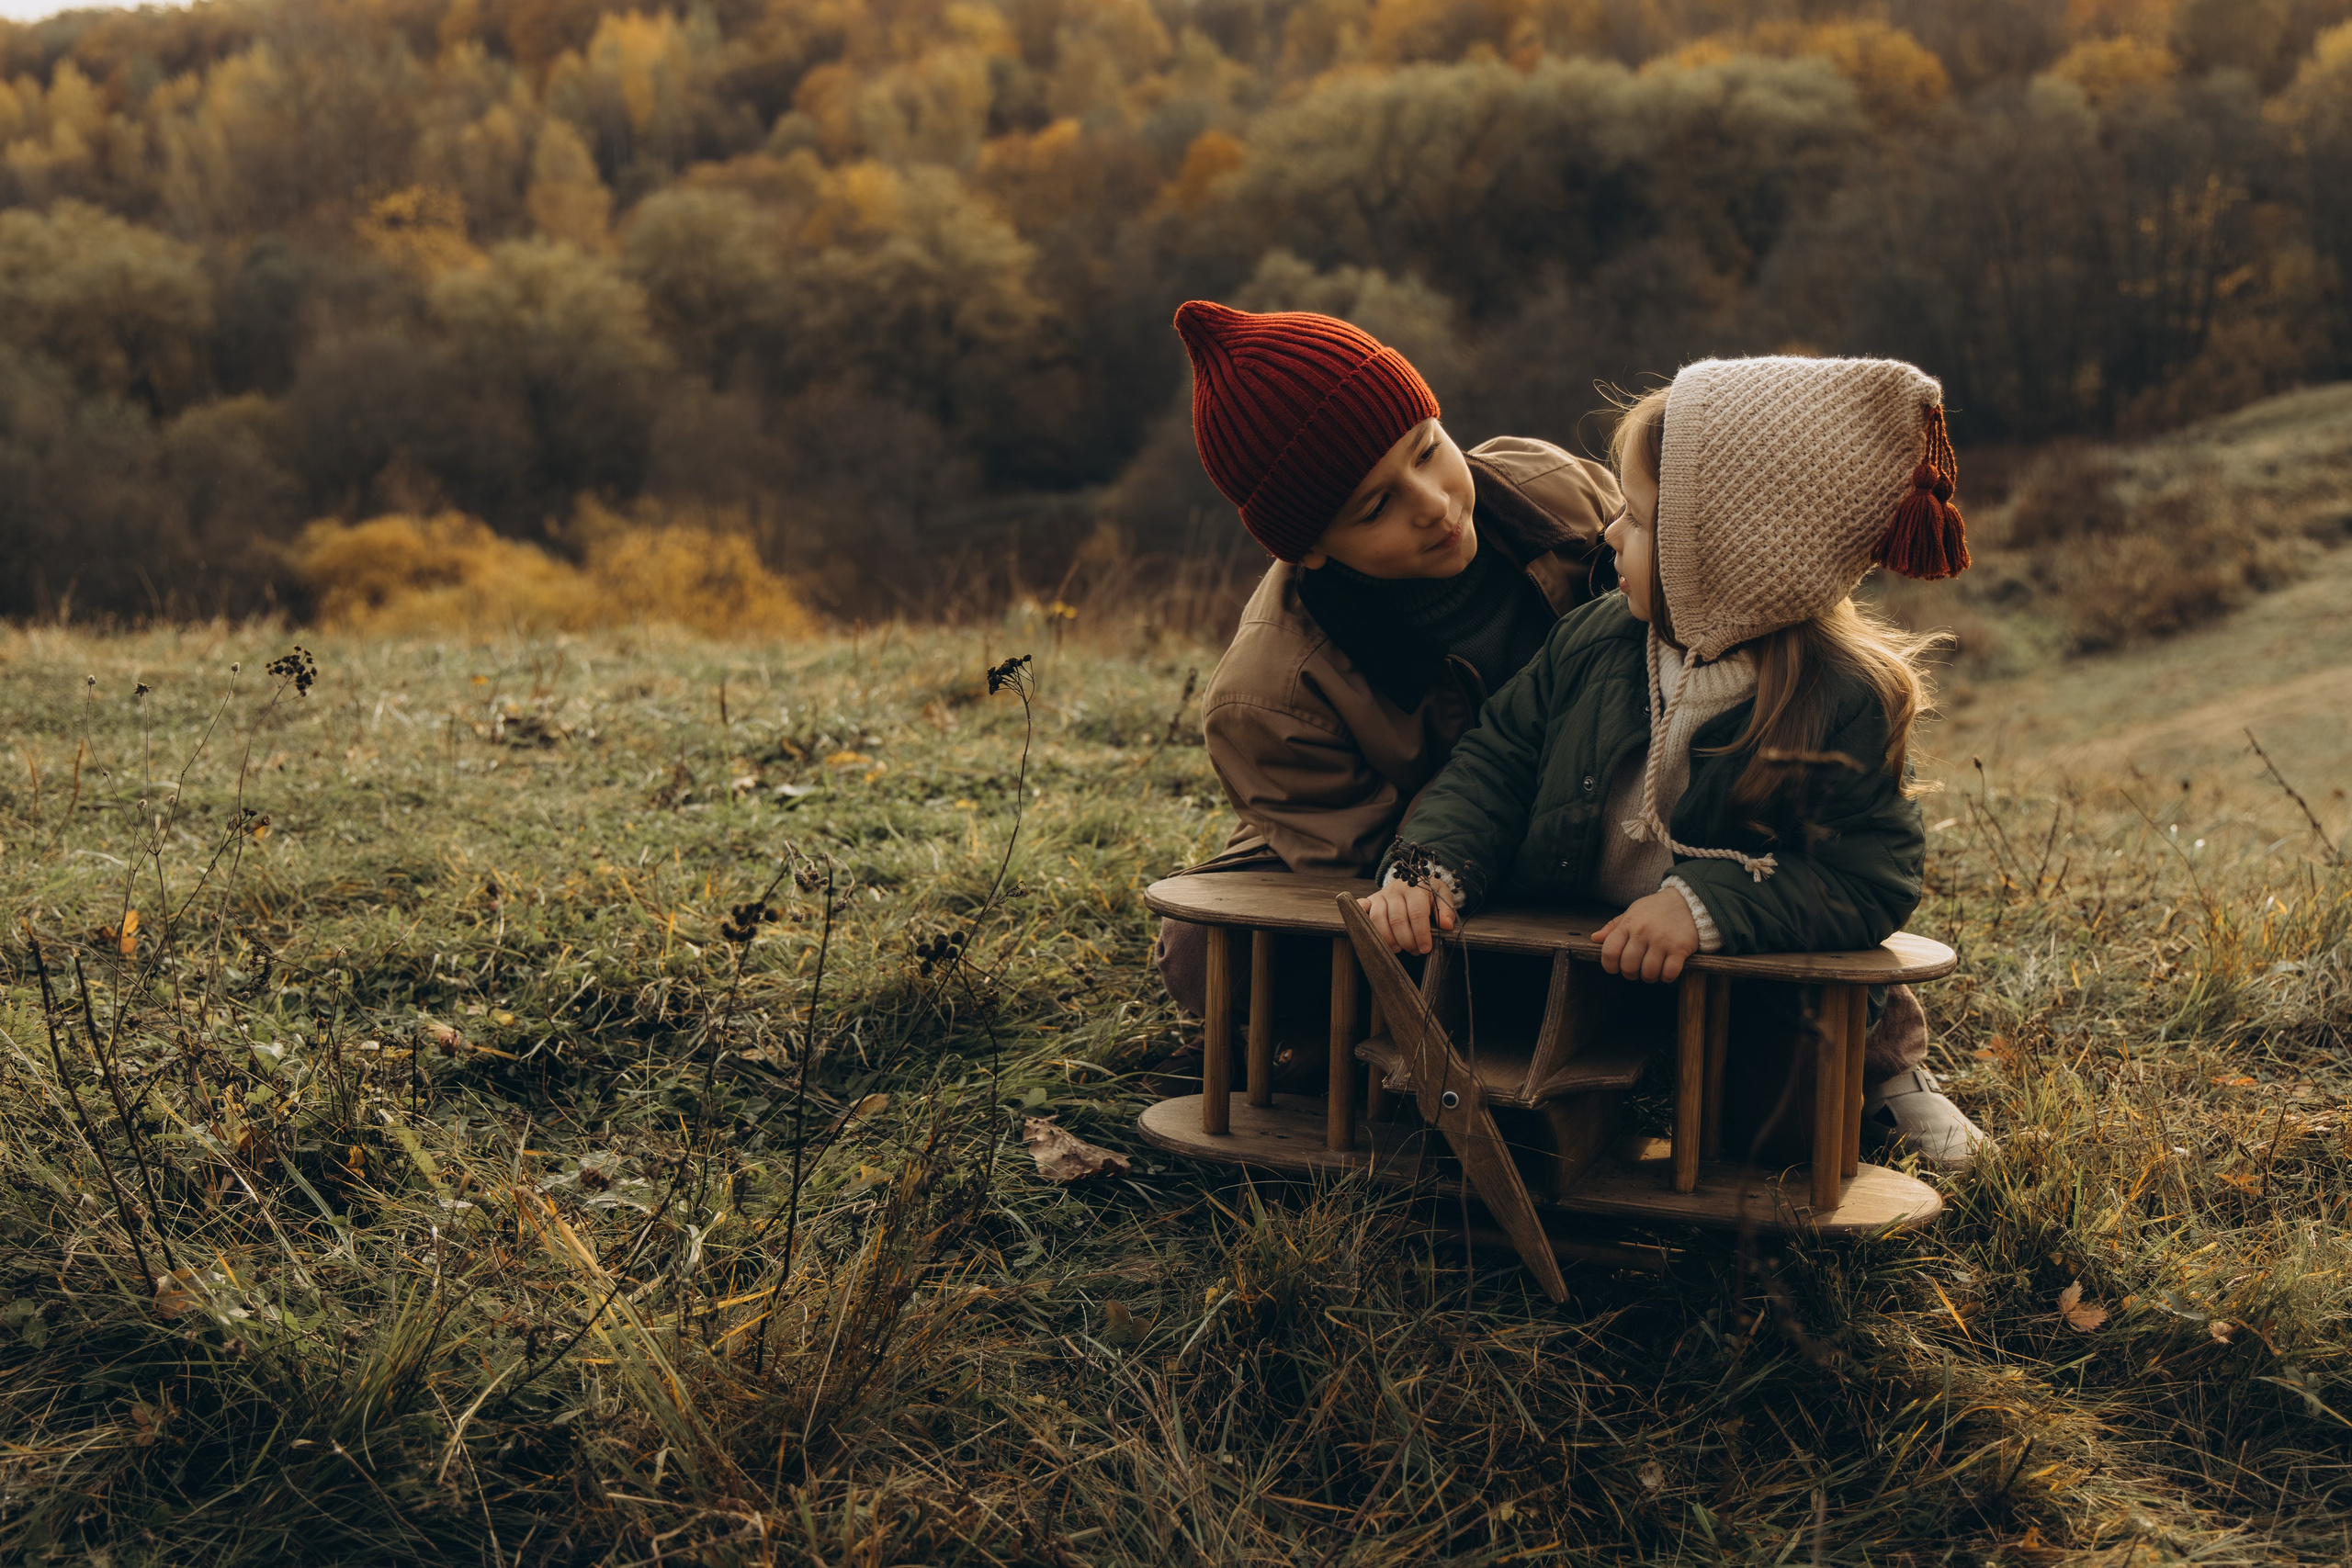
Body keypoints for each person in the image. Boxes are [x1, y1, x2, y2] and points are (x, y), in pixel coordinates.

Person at [1355, 356, 1988, 1171]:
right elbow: (1498, 759)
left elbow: (1866, 873)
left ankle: (1877, 1085)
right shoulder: (1594, 640)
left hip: (1738, 968)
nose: (1611, 533)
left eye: (1640, 518)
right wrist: (1429, 861)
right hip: (1577, 941)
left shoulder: (1839, 698)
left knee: (1781, 1137)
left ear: (1733, 554)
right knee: (1494, 1079)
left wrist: (1705, 907)